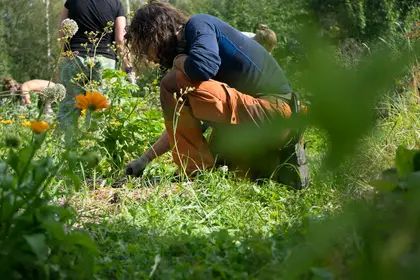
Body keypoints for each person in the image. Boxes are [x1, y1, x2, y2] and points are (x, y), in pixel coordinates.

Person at [125, 1, 309, 189]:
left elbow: (202, 67)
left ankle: (194, 173)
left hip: (274, 112)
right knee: (232, 172)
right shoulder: (196, 66)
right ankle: (276, 162)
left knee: (171, 82)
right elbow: (183, 122)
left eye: (145, 46)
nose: (148, 57)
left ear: (156, 33)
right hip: (263, 122)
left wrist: (180, 61)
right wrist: (145, 159)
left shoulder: (199, 24)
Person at [57, 0, 131, 128]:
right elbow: (120, 39)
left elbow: (62, 32)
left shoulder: (71, 1)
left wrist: (63, 59)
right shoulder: (116, 4)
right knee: (99, 110)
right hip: (105, 61)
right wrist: (128, 67)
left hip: (74, 57)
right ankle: (94, 144)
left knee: (68, 108)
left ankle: (65, 144)